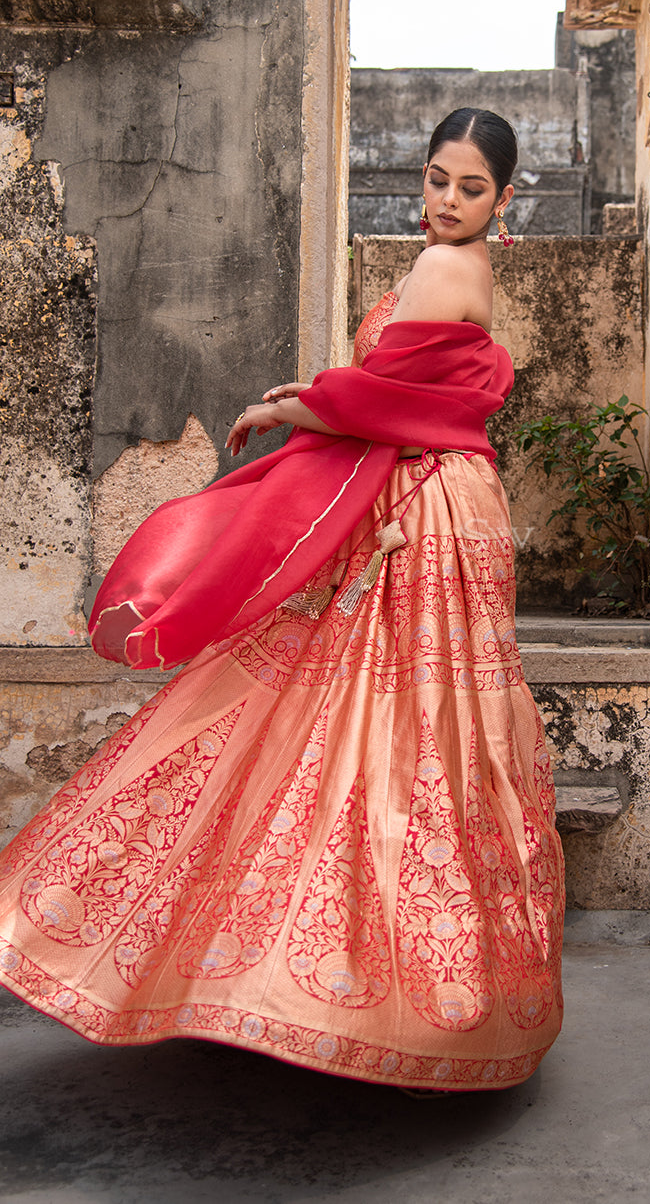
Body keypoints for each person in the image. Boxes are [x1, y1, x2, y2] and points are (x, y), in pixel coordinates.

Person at [0, 108, 565, 1094]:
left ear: (505, 199)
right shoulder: (442, 270)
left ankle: (352, 981)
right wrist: (321, 393)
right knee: (395, 725)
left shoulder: (441, 271)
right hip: (432, 497)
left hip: (422, 509)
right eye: (437, 179)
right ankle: (364, 979)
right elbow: (397, 388)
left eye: (471, 188)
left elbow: (384, 402)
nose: (446, 200)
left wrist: (288, 408)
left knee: (386, 726)